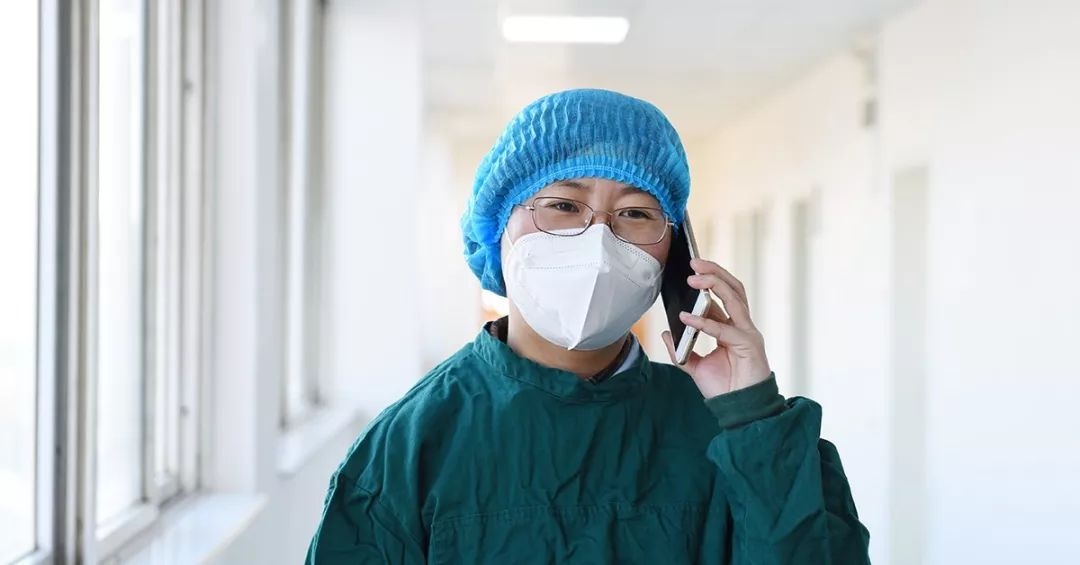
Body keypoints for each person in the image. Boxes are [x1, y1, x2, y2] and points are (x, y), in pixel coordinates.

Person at [306, 89, 870, 564]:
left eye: (635, 213)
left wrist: (753, 416)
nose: (598, 242)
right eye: (563, 205)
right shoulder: (410, 448)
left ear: (674, 254)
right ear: (498, 229)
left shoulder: (733, 433)